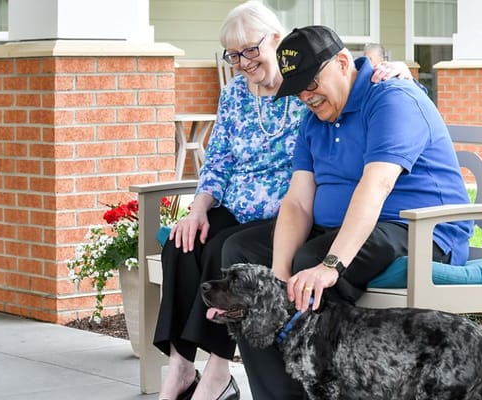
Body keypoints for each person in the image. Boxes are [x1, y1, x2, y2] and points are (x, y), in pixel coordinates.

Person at [154, 3, 414, 400]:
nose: (243, 62)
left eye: (250, 50)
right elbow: (219, 159)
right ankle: (182, 367)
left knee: (232, 250)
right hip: (251, 207)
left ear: (276, 40)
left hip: (286, 214)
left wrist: (406, 77)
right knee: (183, 242)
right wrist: (198, 208)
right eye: (233, 55)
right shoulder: (244, 95)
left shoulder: (307, 90)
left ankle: (226, 373)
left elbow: (368, 82)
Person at [220, 25, 473, 399]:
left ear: (341, 63)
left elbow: (377, 186)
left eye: (312, 83)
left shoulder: (391, 98)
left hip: (419, 232)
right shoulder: (313, 118)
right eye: (299, 89)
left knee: (311, 265)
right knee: (242, 256)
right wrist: (274, 274)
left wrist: (331, 264)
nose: (306, 96)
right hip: (348, 229)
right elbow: (298, 202)